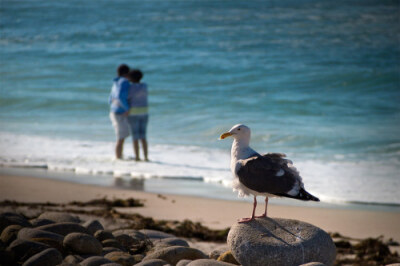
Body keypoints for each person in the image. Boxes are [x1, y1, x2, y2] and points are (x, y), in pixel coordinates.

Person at [109, 64, 130, 159]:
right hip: (120, 112)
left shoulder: (115, 82)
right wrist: (127, 109)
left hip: (113, 111)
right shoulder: (124, 82)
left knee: (121, 136)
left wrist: (114, 106)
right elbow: (120, 97)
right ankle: (118, 157)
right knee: (121, 137)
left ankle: (120, 156)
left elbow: (110, 99)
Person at [127, 69, 149, 161]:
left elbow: (128, 98)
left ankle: (137, 157)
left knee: (135, 136)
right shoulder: (144, 86)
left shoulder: (130, 87)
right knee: (143, 136)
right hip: (144, 112)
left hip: (133, 113)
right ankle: (146, 157)